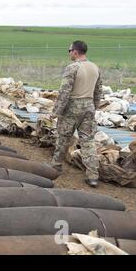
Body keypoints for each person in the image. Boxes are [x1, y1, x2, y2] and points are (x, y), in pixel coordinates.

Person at [51, 40, 103, 188]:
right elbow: (98, 90)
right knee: (88, 141)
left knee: (63, 137)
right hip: (88, 107)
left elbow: (64, 92)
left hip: (72, 107)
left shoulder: (72, 68)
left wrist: (56, 112)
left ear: (75, 51)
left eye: (69, 50)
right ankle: (93, 175)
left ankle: (55, 166)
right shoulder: (95, 67)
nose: (69, 53)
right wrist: (94, 106)